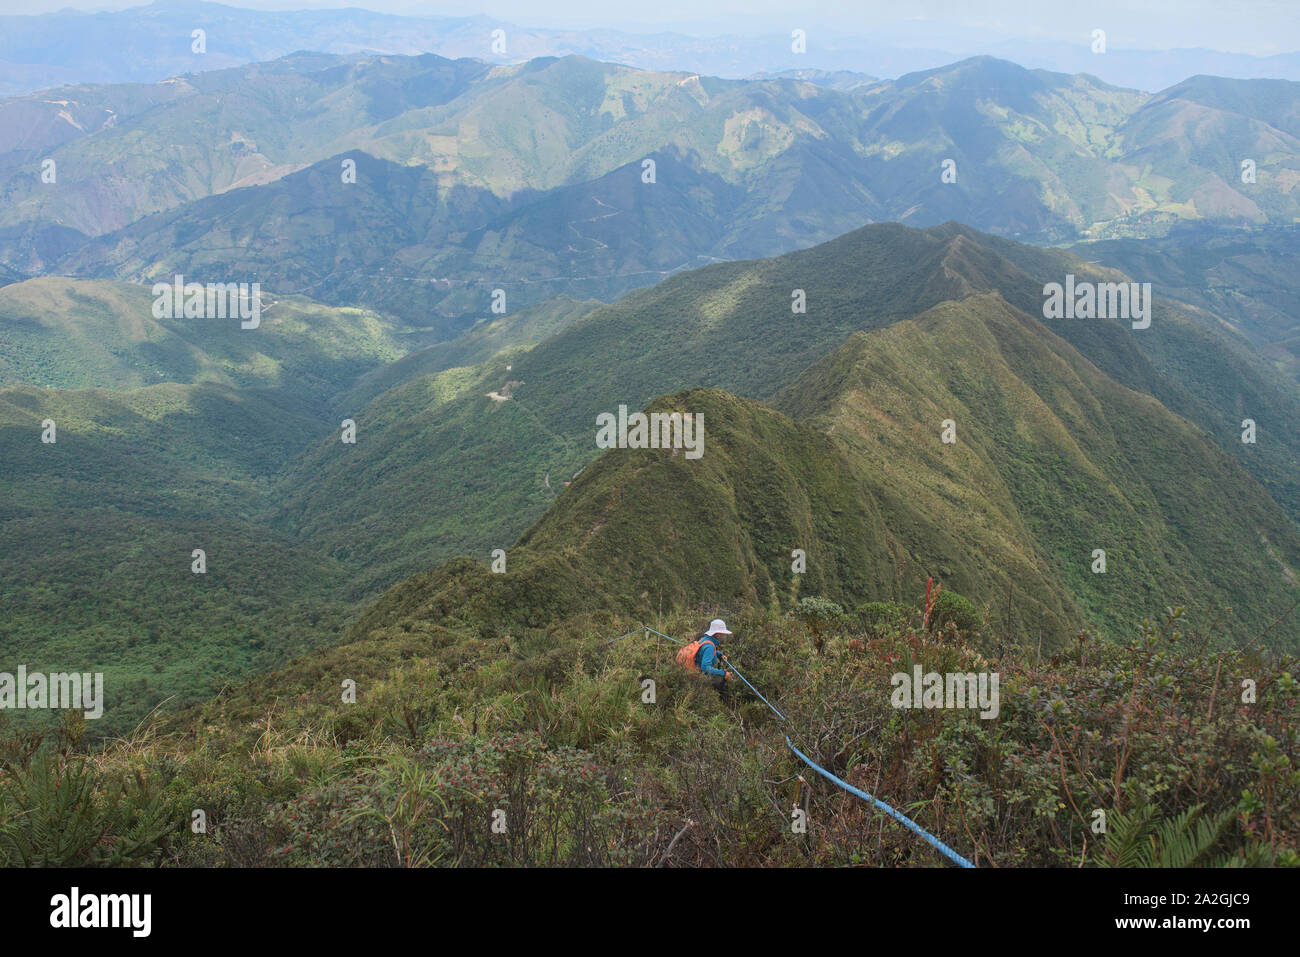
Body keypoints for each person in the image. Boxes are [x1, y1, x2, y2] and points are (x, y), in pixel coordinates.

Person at [697, 618, 734, 696]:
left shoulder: (705, 639)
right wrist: (723, 673)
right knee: (723, 690)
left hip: (696, 671)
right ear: (718, 634)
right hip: (699, 677)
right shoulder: (710, 646)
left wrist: (719, 655)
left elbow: (705, 652)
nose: (723, 636)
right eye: (723, 634)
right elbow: (705, 667)